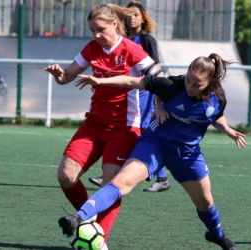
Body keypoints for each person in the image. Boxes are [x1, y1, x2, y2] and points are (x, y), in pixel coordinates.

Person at [59, 53, 246, 249]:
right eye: (188, 79)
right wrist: (100, 80)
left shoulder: (218, 99)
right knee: (121, 183)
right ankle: (79, 217)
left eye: (196, 84)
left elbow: (215, 116)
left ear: (210, 83)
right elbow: (132, 80)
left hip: (187, 153)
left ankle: (217, 235)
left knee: (205, 202)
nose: (189, 86)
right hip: (156, 144)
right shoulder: (172, 85)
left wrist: (227, 129)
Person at [44, 3, 163, 246]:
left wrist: (159, 105)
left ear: (115, 25)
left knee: (111, 185)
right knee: (66, 176)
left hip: (124, 127)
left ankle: (99, 240)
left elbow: (159, 77)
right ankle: (88, 220)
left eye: (100, 29)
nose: (96, 35)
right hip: (94, 124)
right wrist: (60, 75)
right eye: (92, 30)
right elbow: (67, 76)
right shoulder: (91, 48)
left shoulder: (131, 49)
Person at [88, 0, 171, 193]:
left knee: (142, 133)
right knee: (137, 134)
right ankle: (158, 177)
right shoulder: (122, 39)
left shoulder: (146, 39)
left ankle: (158, 176)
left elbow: (155, 70)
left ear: (143, 18)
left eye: (136, 14)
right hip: (129, 94)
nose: (132, 18)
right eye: (129, 14)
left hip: (145, 94)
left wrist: (159, 103)